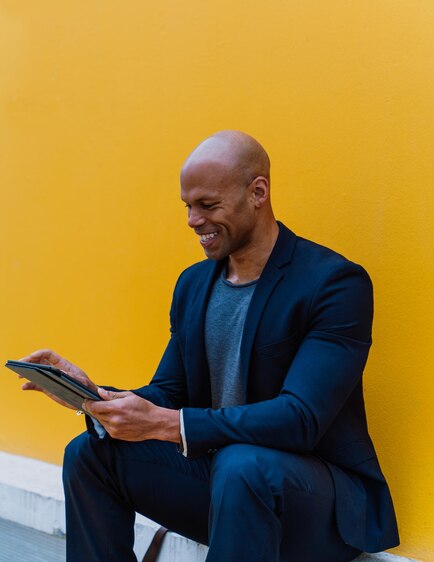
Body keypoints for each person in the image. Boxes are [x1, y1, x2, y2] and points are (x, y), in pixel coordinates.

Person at [20, 130, 399, 562]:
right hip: (227, 488)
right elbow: (169, 393)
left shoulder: (332, 283)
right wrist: (93, 396)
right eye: (187, 206)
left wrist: (169, 425)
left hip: (315, 506)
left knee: (243, 465)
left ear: (258, 192)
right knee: (90, 451)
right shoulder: (194, 284)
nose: (192, 220)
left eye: (208, 205)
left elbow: (300, 419)